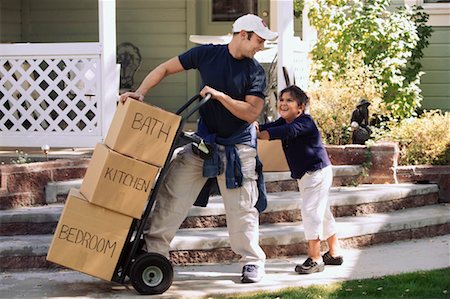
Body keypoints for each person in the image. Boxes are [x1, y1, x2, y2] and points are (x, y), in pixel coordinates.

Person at [119, 14, 278, 283]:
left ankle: (252, 262)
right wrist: (141, 92)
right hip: (204, 143)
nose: (261, 47)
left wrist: (220, 96)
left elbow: (251, 112)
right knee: (171, 195)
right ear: (242, 34)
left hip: (237, 148)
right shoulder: (206, 55)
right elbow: (165, 68)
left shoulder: (255, 72)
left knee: (242, 208)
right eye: (259, 40)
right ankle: (154, 254)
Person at [256, 85, 343, 274]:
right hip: (308, 175)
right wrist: (254, 128)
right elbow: (268, 128)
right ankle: (334, 253)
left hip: (316, 173)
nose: (283, 103)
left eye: (289, 100)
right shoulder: (284, 121)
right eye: (281, 100)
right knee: (323, 212)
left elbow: (284, 132)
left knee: (311, 212)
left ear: (300, 107)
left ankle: (315, 258)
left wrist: (260, 133)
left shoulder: (305, 122)